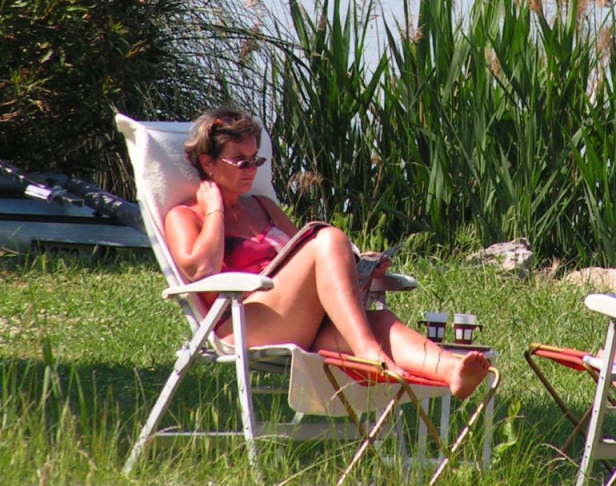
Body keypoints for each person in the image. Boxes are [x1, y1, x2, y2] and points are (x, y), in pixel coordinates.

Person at [163, 107, 490, 398]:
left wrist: (359, 267)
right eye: (240, 161)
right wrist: (215, 209)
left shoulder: (263, 207)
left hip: (296, 320)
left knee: (379, 321)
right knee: (328, 237)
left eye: (256, 160)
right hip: (242, 321)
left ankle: (451, 370)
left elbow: (307, 258)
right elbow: (200, 270)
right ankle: (367, 353)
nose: (251, 169)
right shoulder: (184, 216)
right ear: (207, 163)